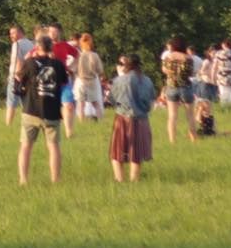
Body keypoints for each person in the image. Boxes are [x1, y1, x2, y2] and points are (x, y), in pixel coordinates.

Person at [14, 37, 67, 185]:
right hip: (52, 112)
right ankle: (55, 179)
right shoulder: (57, 64)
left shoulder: (30, 63)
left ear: (37, 47)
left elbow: (19, 78)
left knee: (25, 146)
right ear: (51, 48)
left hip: (31, 110)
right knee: (53, 146)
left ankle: (23, 180)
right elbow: (64, 82)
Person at [107, 53, 156, 183]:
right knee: (137, 152)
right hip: (141, 119)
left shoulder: (119, 80)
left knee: (117, 151)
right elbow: (151, 103)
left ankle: (119, 179)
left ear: (126, 65)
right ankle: (134, 180)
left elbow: (111, 100)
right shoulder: (147, 80)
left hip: (122, 118)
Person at [158, 38, 191, 144]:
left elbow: (164, 70)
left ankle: (172, 140)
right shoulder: (187, 58)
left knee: (172, 115)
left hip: (171, 86)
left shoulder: (168, 57)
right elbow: (190, 72)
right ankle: (193, 138)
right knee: (190, 114)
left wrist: (172, 73)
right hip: (185, 86)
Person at [4, 26, 36, 125]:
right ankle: (30, 123)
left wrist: (15, 76)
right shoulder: (32, 44)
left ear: (20, 32)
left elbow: (18, 61)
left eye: (13, 33)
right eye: (10, 33)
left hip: (17, 77)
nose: (11, 36)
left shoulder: (17, 44)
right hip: (29, 77)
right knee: (26, 103)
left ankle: (8, 125)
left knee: (11, 103)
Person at [73, 34, 104, 126]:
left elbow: (74, 68)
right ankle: (100, 121)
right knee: (95, 103)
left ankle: (82, 122)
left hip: (81, 81)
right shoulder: (95, 55)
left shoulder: (79, 55)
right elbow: (100, 70)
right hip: (92, 81)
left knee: (80, 104)